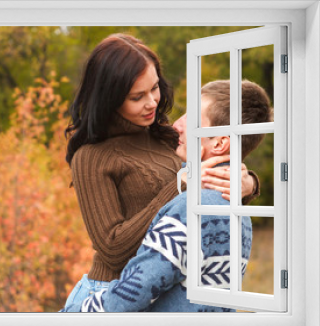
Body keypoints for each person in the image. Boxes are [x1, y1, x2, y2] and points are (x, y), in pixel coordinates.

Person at [62, 33, 259, 309]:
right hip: (107, 295)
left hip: (158, 290)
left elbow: (208, 177)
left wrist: (247, 183)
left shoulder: (166, 136)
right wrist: (180, 185)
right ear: (110, 98)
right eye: (137, 96)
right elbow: (113, 251)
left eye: (154, 88)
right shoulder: (91, 158)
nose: (152, 102)